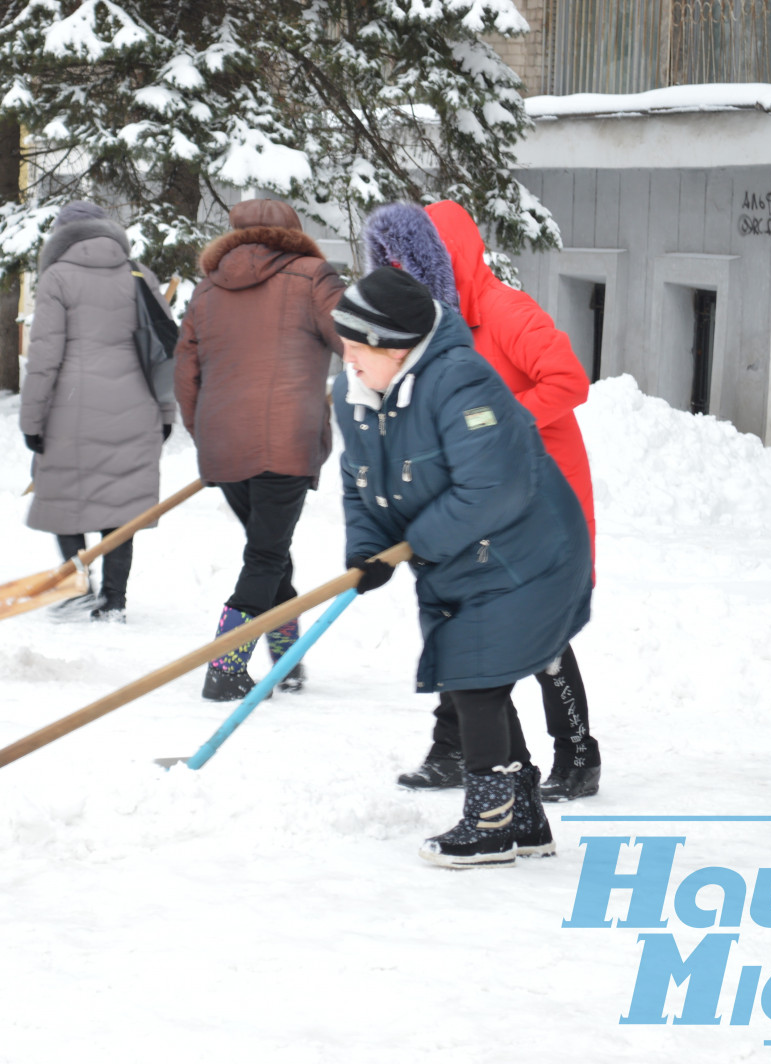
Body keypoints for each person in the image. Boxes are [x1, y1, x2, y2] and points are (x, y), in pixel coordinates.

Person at [332, 267, 591, 868]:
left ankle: (491, 818)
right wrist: (367, 548)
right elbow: (360, 481)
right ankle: (522, 816)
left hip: (529, 552)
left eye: (356, 349)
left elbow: (494, 487)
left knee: (475, 672)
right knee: (477, 673)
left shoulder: (461, 384)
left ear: (396, 348)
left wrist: (417, 543)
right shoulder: (360, 398)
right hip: (464, 554)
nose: (347, 361)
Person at [363, 200, 603, 802]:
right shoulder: (439, 335)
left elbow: (569, 381)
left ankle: (578, 755)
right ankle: (458, 749)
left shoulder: (505, 313)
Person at [176, 199, 345, 699]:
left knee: (271, 550)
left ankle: (286, 661)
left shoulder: (207, 290)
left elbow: (186, 373)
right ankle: (226, 665)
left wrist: (203, 432)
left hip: (223, 444)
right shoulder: (315, 277)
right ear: (293, 231)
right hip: (286, 441)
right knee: (267, 554)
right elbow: (355, 341)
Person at [19, 201, 174, 621]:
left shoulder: (56, 278)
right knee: (120, 505)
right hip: (137, 405)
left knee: (64, 498)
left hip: (71, 411)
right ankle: (114, 601)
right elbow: (162, 351)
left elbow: (44, 358)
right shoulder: (139, 274)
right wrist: (165, 414)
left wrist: (31, 421)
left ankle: (77, 588)